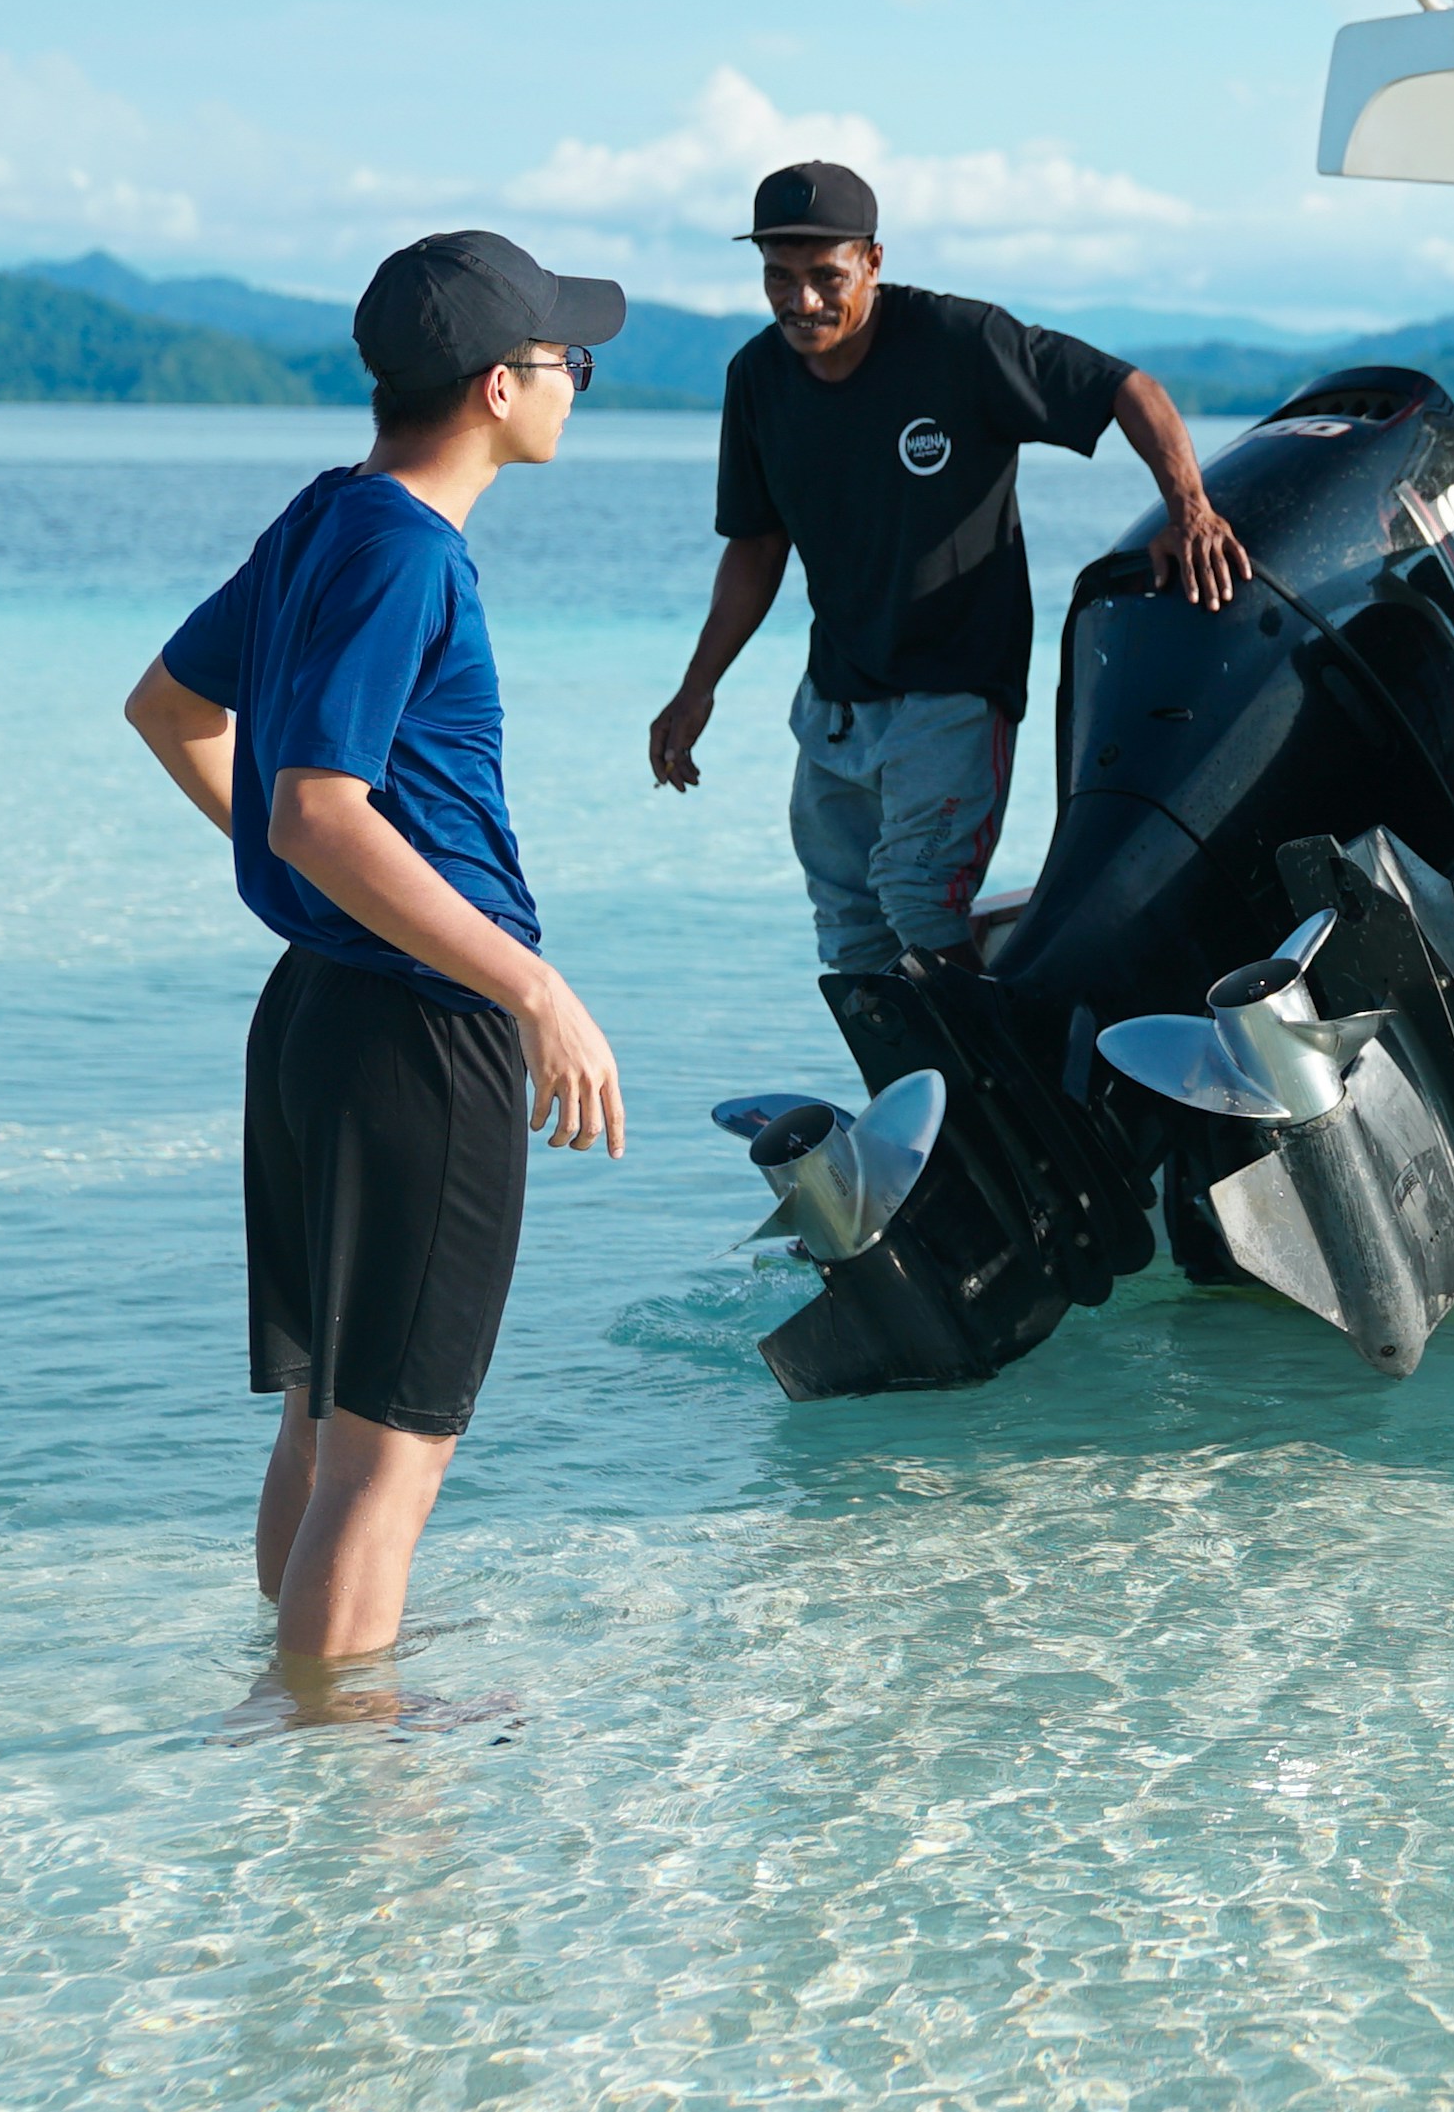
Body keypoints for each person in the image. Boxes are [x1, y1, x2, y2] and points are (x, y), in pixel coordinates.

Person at [120, 230, 630, 1678]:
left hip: (314, 1021)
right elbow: (317, 809)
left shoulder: (329, 517)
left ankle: (305, 1713)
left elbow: (172, 710)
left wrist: (320, 891)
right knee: (386, 1465)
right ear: (493, 387)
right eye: (565, 361)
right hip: (420, 1033)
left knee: (326, 1425)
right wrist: (530, 985)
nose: (576, 384)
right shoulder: (408, 551)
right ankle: (355, 1795)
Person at [647, 159, 1254, 974]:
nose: (802, 301)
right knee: (849, 930)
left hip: (957, 684)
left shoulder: (958, 342)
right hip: (835, 700)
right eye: (778, 278)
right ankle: (914, 1099)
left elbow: (1124, 386)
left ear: (873, 260)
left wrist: (1191, 508)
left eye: (825, 277)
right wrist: (696, 687)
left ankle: (993, 1087)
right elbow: (755, 546)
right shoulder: (756, 378)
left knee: (916, 894)